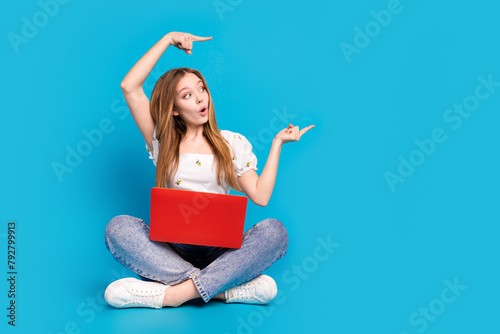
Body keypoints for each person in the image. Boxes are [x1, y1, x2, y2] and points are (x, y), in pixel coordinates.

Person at [103, 31, 315, 309]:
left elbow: (261, 197)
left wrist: (277, 144)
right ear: (175, 109)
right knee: (118, 228)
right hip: (173, 250)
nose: (201, 98)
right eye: (187, 95)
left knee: (275, 232)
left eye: (201, 88)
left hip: (221, 252)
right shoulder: (162, 140)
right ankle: (222, 289)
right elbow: (129, 86)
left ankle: (174, 295)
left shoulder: (232, 143)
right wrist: (167, 40)